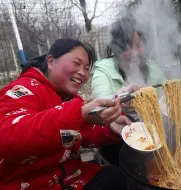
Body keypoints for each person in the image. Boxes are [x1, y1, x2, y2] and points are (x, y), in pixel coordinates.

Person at [0, 38, 132, 189]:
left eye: (87, 68)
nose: (83, 73)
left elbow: (80, 135)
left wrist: (110, 128)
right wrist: (80, 114)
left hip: (72, 177)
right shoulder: (21, 91)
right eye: (76, 63)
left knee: (118, 179)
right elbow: (8, 137)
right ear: (50, 62)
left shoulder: (70, 99)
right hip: (33, 184)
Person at [91, 15, 166, 122]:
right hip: (121, 132)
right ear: (116, 48)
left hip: (155, 128)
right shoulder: (104, 70)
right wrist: (121, 96)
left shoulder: (153, 68)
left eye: (138, 45)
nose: (134, 53)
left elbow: (167, 101)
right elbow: (100, 104)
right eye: (127, 47)